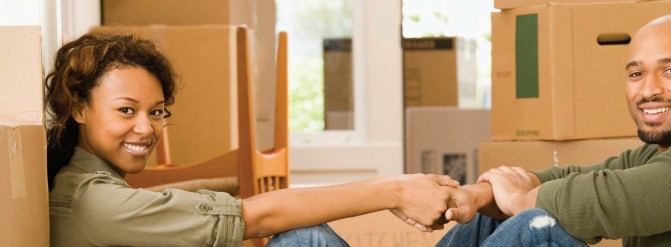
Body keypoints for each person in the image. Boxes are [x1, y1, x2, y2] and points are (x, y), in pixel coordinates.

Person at [46, 30, 458, 247]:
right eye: (126, 110)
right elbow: (256, 217)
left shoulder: (91, 187)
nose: (145, 128)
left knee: (500, 227)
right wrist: (394, 189)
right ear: (79, 108)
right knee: (305, 240)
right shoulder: (93, 201)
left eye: (156, 112)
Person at [436, 14, 671, 246]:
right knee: (487, 219)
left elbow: (601, 200)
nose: (648, 89)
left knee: (538, 230)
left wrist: (517, 199)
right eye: (636, 73)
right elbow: (581, 175)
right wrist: (481, 194)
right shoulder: (668, 150)